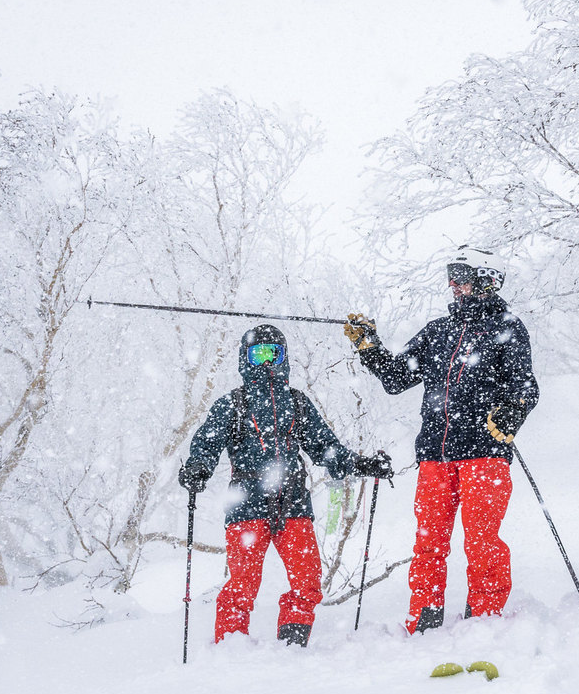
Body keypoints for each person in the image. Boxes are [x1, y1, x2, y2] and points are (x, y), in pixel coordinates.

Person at [342, 246, 539, 635]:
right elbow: (396, 378)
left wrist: (514, 410)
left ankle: (483, 619)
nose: (453, 285)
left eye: (462, 276)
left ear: (487, 280)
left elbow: (526, 387)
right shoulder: (438, 331)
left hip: (485, 454)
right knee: (428, 543)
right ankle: (425, 617)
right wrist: (369, 345)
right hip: (435, 455)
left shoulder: (508, 328)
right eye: (451, 276)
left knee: (482, 542)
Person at [177, 324, 394, 647]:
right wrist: (197, 467)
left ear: (283, 357)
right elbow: (207, 443)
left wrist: (362, 464)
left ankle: (292, 645)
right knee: (243, 583)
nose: (265, 362)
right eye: (257, 354)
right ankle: (229, 647)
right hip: (246, 505)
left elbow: (326, 449)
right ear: (245, 358)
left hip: (293, 503)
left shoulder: (298, 403)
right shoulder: (233, 404)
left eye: (272, 353)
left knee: (307, 580)